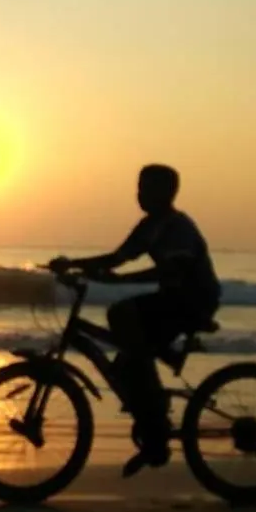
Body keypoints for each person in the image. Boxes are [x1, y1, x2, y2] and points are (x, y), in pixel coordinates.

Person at [48, 163, 221, 478]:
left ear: (164, 193)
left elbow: (170, 273)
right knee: (128, 353)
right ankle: (151, 406)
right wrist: (72, 265)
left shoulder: (176, 227)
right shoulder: (150, 225)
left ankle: (154, 418)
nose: (138, 194)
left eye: (145, 188)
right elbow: (117, 257)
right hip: (174, 298)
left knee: (122, 315)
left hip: (194, 299)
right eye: (138, 187)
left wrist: (117, 281)